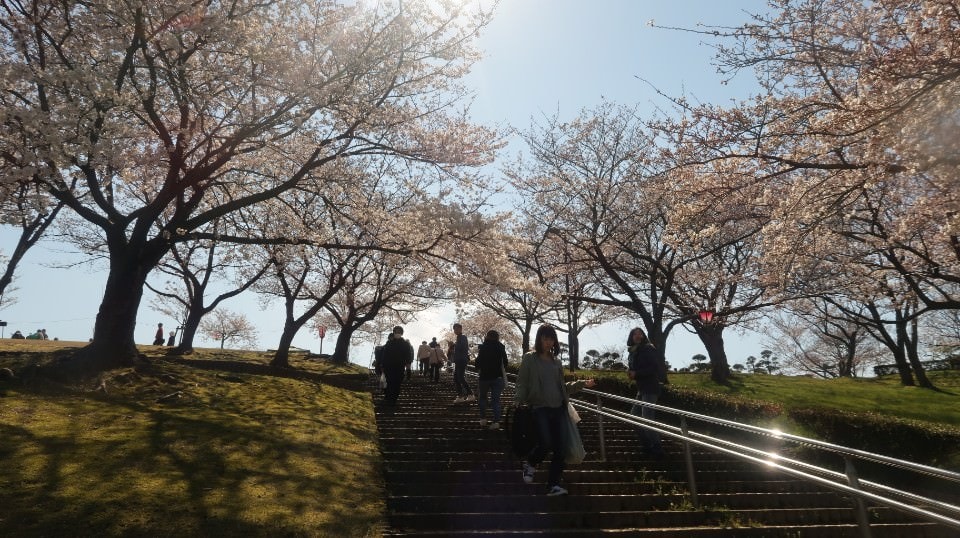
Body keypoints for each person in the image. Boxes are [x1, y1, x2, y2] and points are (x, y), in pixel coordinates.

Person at [515, 324, 595, 496]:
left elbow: (562, 387)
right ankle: (530, 463)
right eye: (545, 338)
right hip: (539, 407)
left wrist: (581, 384)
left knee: (560, 448)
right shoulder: (530, 358)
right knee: (545, 442)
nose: (548, 342)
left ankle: (553, 484)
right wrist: (518, 400)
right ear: (539, 338)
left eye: (551, 339)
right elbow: (522, 381)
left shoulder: (556, 362)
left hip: (558, 408)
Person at [626, 327, 666, 457]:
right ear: (631, 337)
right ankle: (647, 445)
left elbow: (654, 368)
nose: (637, 336)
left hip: (650, 388)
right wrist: (631, 373)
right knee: (633, 417)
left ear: (643, 336)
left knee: (647, 419)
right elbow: (634, 368)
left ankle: (657, 448)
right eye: (634, 334)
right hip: (641, 389)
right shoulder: (632, 352)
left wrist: (636, 373)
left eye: (640, 333)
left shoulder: (648, 348)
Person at [475, 329, 508, 430]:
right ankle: (496, 422)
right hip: (498, 378)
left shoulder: (484, 347)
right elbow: (505, 362)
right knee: (496, 400)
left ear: (488, 336)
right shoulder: (501, 347)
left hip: (484, 377)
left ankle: (483, 419)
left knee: (483, 398)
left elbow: (478, 363)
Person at [380, 326, 414, 406]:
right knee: (389, 382)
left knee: (397, 383)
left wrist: (408, 368)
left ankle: (393, 399)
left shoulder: (405, 344)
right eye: (396, 332)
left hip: (400, 367)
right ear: (394, 332)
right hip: (389, 367)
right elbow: (385, 355)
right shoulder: (389, 343)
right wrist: (382, 365)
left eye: (399, 332)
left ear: (402, 333)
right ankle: (388, 398)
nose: (397, 333)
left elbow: (408, 356)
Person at [451, 323, 475, 403]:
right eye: (454, 329)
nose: (455, 330)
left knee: (460, 377)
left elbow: (463, 348)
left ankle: (470, 394)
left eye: (457, 329)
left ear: (461, 329)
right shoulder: (458, 338)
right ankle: (460, 396)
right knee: (456, 378)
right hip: (458, 360)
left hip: (462, 360)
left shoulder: (463, 337)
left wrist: (454, 345)